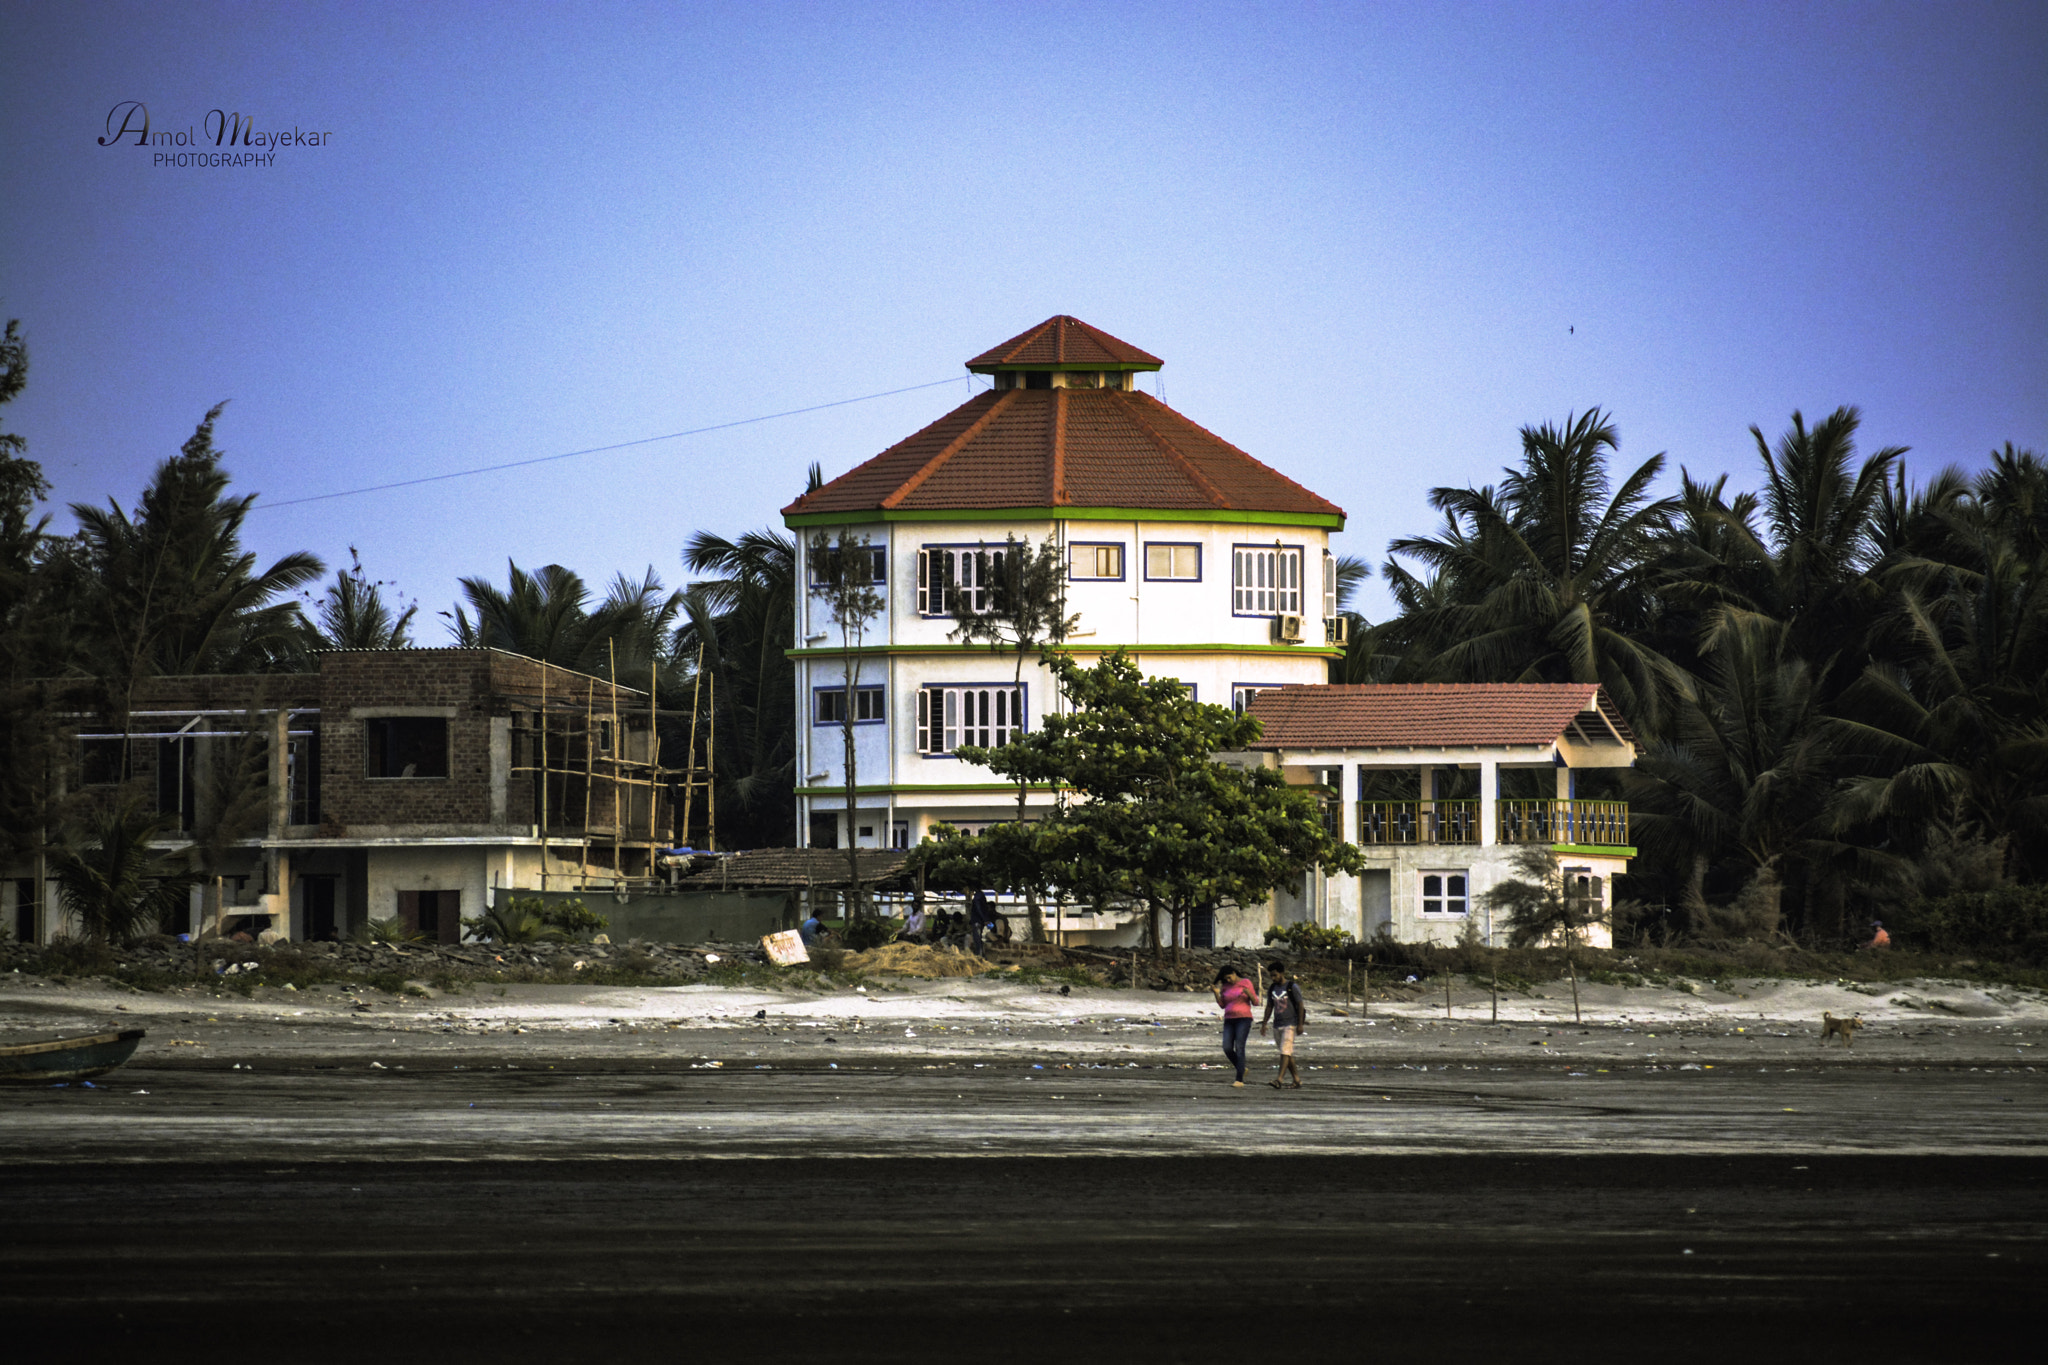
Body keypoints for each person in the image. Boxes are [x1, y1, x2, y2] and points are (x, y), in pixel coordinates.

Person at [1260, 964, 1307, 1088]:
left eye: (1275, 975)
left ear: (1282, 973)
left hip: (1290, 1024)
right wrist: (1264, 1023)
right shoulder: (1272, 988)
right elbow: (1269, 1006)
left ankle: (1279, 1080)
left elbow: (1300, 1005)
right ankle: (1297, 1079)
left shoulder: (1292, 987)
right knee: (1286, 1053)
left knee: (1284, 1052)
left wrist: (1300, 1024)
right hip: (1277, 1024)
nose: (1273, 978)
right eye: (1271, 976)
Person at [1212, 967, 1260, 1087]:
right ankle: (1242, 1068)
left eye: (1229, 977)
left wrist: (1249, 994)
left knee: (1239, 1046)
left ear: (1234, 973)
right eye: (1226, 979)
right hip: (1229, 1019)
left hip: (1243, 1018)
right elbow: (1222, 1005)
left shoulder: (1246, 982)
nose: (1229, 980)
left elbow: (1256, 1002)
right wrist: (1216, 993)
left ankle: (1239, 1079)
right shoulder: (1225, 986)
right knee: (1227, 1047)